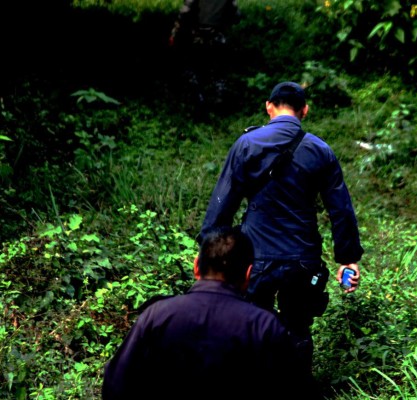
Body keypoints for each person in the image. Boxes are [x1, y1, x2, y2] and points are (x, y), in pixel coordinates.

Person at [198, 81, 364, 373]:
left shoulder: (246, 145)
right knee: (297, 328)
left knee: (250, 325)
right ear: (305, 111)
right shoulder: (320, 150)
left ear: (269, 107)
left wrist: (207, 250)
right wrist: (347, 258)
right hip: (302, 259)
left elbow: (222, 204)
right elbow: (341, 210)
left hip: (253, 258)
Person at [102, 226, 319, 399]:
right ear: (248, 274)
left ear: (196, 266)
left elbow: (115, 385)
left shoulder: (157, 315)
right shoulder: (264, 325)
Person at [168, 0, 241, 112]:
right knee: (219, 72)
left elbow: (185, 12)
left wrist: (175, 31)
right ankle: (219, 102)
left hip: (199, 35)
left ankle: (198, 102)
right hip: (218, 35)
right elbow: (236, 16)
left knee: (194, 69)